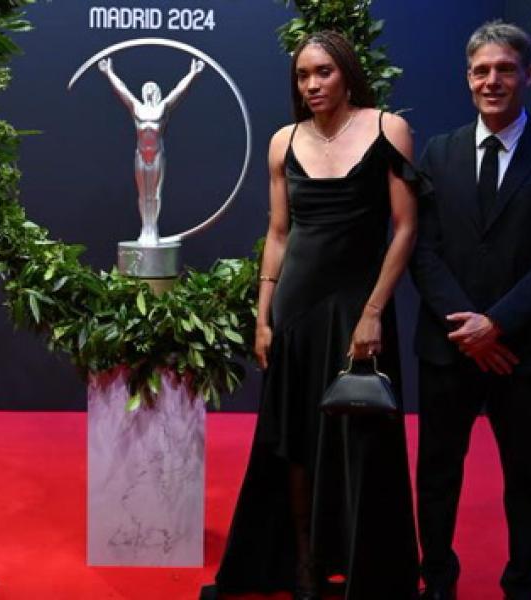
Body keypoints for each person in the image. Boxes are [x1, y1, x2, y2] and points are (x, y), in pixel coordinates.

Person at [202, 31, 422, 600]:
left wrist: (374, 311)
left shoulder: (386, 129)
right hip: (297, 308)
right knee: (294, 440)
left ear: (346, 73)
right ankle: (303, 562)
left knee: (359, 439)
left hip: (358, 309)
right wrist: (263, 316)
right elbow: (278, 234)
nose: (312, 84)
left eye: (323, 72)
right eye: (302, 75)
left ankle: (358, 562)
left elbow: (405, 229)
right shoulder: (283, 142)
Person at [410, 21, 531, 600]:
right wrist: (469, 327)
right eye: (482, 70)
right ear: (467, 78)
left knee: (527, 480)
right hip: (449, 345)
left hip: (523, 350)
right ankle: (437, 579)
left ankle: (523, 584)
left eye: (505, 69)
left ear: (529, 75)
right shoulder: (437, 153)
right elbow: (422, 249)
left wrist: (498, 324)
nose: (493, 80)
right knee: (437, 474)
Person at [97, 56, 203, 245]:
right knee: (143, 194)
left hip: (156, 155)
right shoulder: (136, 107)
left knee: (154, 194)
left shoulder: (163, 107)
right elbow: (123, 90)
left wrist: (192, 74)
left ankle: (152, 228)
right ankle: (144, 228)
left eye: (152, 89)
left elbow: (178, 91)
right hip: (141, 155)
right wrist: (108, 72)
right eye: (146, 89)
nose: (149, 92)